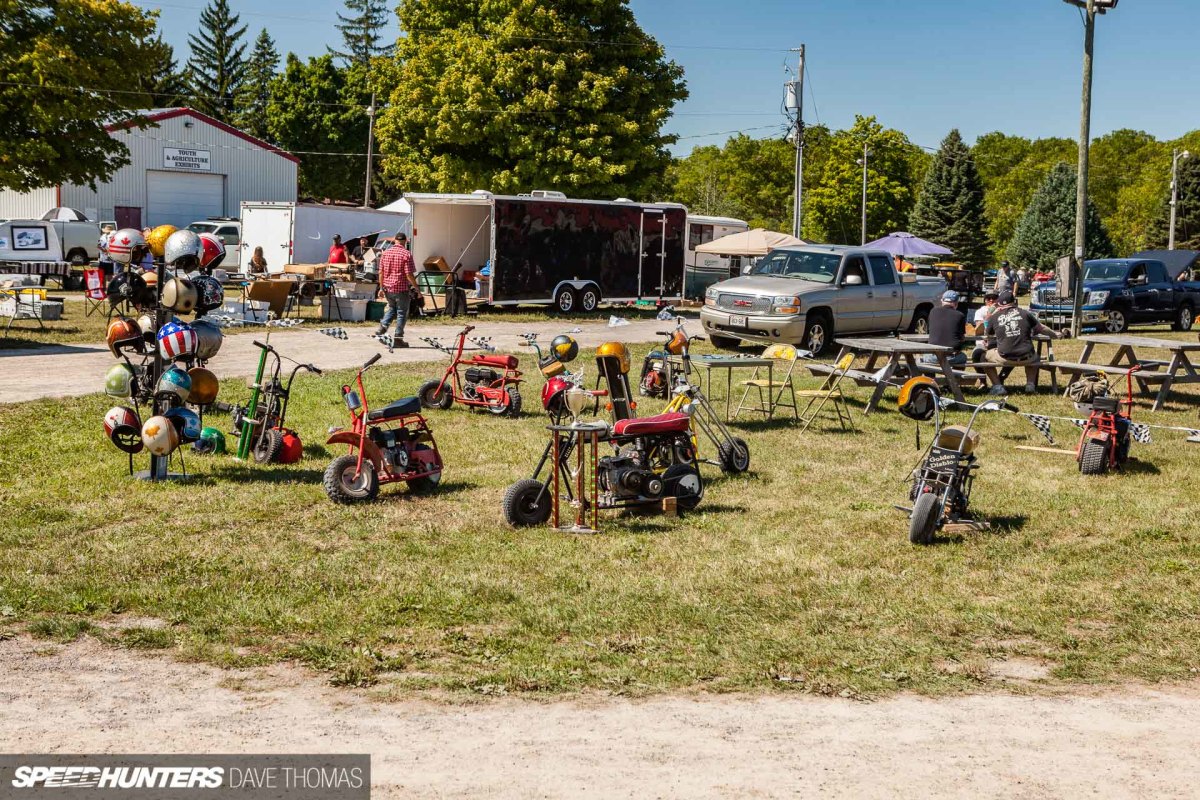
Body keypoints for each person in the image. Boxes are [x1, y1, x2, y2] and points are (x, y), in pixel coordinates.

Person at [983, 290, 1066, 395]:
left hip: (1005, 357)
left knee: (983, 357)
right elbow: (1042, 328)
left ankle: (998, 386)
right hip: (1027, 357)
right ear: (1014, 302)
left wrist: (992, 313)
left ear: (999, 303)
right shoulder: (1025, 313)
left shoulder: (995, 317)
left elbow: (987, 333)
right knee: (1035, 355)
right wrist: (1055, 334)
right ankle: (1030, 385)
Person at [373, 235, 416, 347]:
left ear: (395, 241)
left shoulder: (385, 253)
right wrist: (417, 288)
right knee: (402, 313)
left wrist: (381, 288)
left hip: (388, 289)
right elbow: (409, 274)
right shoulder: (406, 254)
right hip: (401, 289)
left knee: (392, 308)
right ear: (405, 242)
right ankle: (398, 338)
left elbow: (381, 273)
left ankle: (382, 329)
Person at [922, 290, 968, 367]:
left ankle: (931, 378)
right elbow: (962, 338)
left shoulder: (933, 311)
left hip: (932, 357)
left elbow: (930, 331)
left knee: (924, 357)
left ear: (942, 301)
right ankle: (955, 378)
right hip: (952, 357)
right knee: (963, 357)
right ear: (956, 303)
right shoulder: (960, 315)